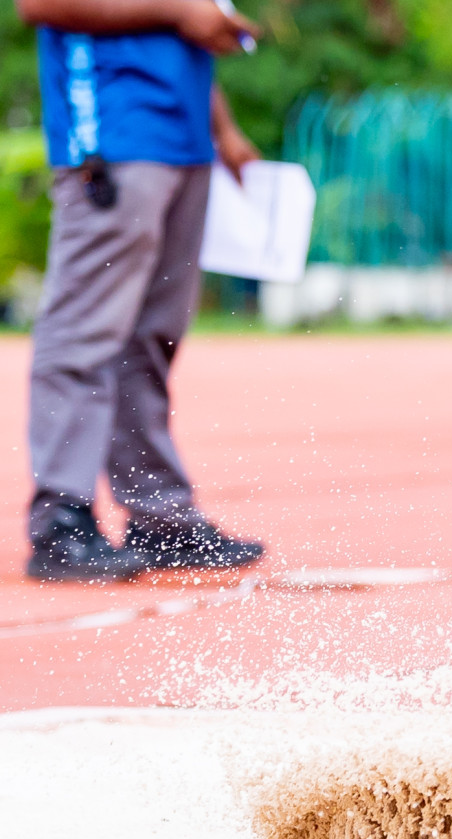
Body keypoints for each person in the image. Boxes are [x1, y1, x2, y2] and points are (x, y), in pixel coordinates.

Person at [16, 0, 267, 581]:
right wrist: (182, 10)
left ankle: (159, 516)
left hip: (183, 140)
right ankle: (61, 518)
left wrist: (223, 130)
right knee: (84, 330)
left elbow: (189, 36)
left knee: (150, 337)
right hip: (111, 136)